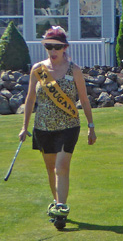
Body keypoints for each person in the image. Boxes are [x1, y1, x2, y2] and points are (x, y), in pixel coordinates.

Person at [19, 26, 96, 227]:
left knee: (61, 167)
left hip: (69, 125)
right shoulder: (38, 70)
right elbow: (30, 99)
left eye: (56, 47)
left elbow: (84, 100)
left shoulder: (75, 70)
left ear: (64, 48)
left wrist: (91, 125)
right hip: (43, 127)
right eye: (49, 47)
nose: (52, 51)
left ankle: (61, 207)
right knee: (51, 168)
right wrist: (23, 126)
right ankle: (57, 203)